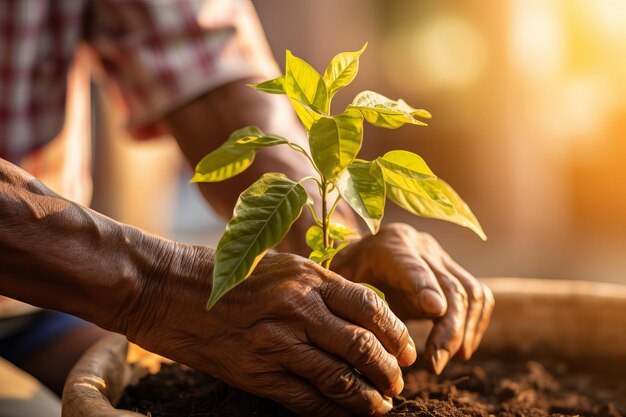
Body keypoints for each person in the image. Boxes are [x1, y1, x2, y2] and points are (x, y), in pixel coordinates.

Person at [0, 1, 494, 416]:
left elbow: (205, 69)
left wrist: (336, 240)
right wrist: (159, 288)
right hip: (67, 277)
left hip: (43, 302)